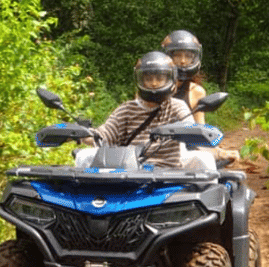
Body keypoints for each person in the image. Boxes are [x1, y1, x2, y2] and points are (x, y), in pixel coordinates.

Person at [75, 51, 214, 170]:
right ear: (140, 80)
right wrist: (79, 134)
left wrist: (184, 131)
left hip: (168, 171)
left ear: (170, 79)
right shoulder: (126, 109)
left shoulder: (177, 106)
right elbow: (104, 134)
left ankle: (208, 201)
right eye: (148, 78)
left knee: (205, 158)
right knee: (84, 155)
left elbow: (189, 126)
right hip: (130, 170)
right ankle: (84, 197)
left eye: (160, 78)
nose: (154, 83)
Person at [161, 29, 240, 165]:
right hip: (154, 152)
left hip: (186, 155)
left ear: (195, 58)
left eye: (188, 56)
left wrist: (221, 153)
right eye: (177, 56)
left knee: (208, 166)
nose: (183, 61)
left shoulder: (196, 91)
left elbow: (200, 134)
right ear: (167, 57)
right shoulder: (151, 89)